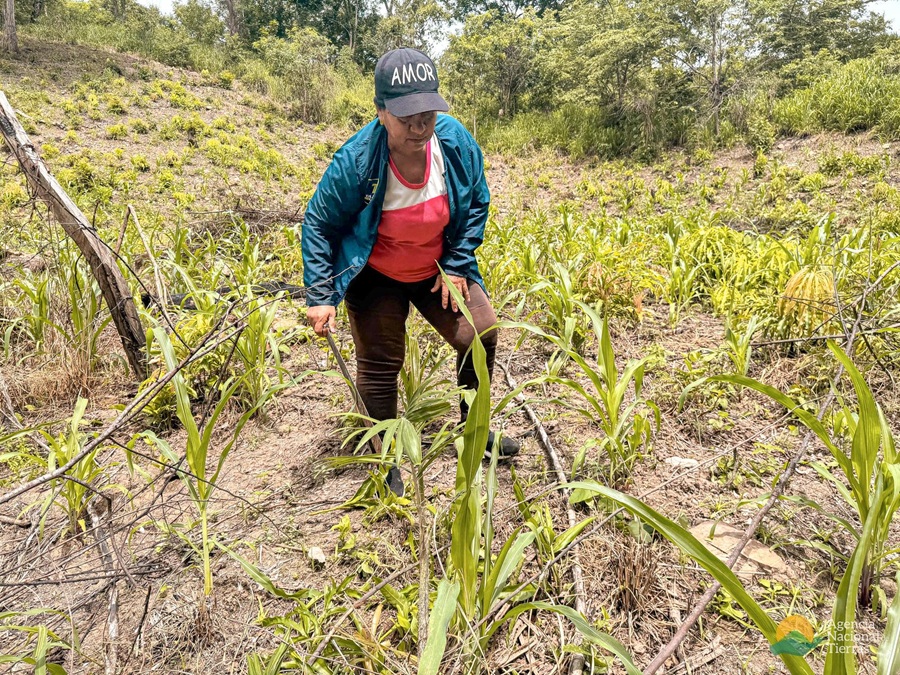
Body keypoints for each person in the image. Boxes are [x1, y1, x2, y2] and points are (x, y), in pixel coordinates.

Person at [302, 47, 520, 479]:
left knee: (479, 332)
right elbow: (319, 223)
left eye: (428, 116)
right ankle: (385, 458)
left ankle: (475, 431)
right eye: (407, 119)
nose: (420, 128)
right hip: (376, 273)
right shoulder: (356, 161)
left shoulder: (454, 142)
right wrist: (321, 294)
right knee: (381, 364)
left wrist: (457, 262)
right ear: (381, 112)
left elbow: (477, 199)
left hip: (437, 267)